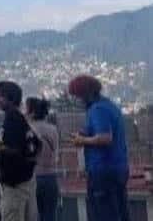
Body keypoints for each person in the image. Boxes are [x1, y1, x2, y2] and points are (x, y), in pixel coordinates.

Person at [67, 75, 130, 221]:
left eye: (77, 96)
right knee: (120, 213)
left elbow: (105, 137)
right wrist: (84, 135)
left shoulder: (98, 109)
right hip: (118, 169)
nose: (76, 101)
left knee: (104, 215)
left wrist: (82, 140)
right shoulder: (109, 106)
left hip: (103, 172)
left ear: (85, 94)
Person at [0, 81, 39, 221]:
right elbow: (36, 145)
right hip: (23, 180)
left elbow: (13, 149)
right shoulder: (20, 118)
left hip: (14, 184)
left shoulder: (12, 118)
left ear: (11, 97)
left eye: (0, 96)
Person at [26, 97, 59, 221]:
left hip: (33, 177)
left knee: (32, 216)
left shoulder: (28, 129)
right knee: (50, 215)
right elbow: (55, 153)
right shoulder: (53, 130)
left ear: (32, 112)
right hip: (51, 176)